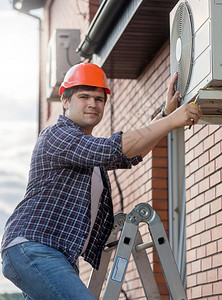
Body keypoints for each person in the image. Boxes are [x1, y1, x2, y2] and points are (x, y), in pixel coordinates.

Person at [1, 63, 202, 300]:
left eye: (99, 99)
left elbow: (131, 155)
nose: (93, 104)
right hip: (34, 248)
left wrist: (166, 116)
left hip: (56, 254)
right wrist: (171, 121)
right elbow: (113, 149)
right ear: (65, 101)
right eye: (84, 97)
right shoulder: (56, 135)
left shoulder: (86, 151)